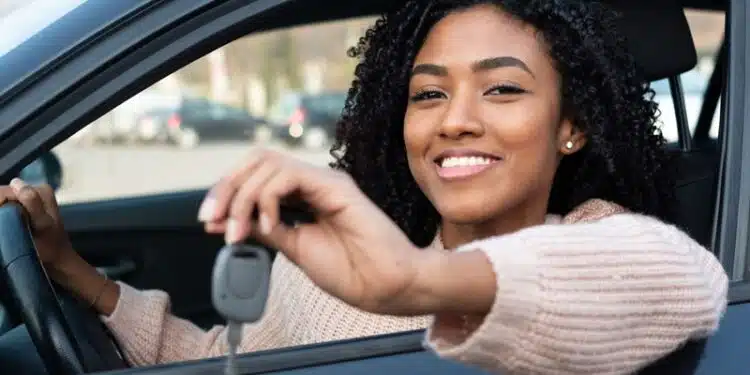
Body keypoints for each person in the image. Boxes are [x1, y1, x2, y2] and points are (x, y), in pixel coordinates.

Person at [0, 0, 728, 374]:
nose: (457, 122)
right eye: (428, 95)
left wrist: (418, 281)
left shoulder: (596, 243)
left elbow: (687, 282)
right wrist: (73, 273)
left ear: (569, 128)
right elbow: (223, 357)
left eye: (503, 89)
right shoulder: (333, 268)